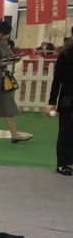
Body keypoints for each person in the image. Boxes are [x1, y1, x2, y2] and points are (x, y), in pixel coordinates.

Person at [47, 41, 73, 175]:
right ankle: (62, 164)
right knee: (66, 130)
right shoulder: (66, 55)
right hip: (68, 97)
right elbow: (57, 79)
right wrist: (52, 101)